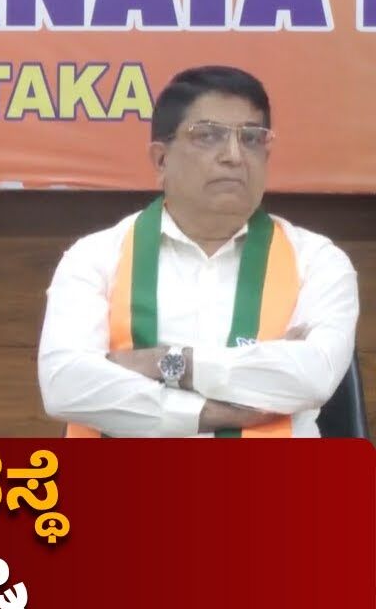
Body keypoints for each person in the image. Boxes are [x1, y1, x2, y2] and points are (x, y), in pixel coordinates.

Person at [38, 65, 359, 437]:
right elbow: (64, 385)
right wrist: (211, 412)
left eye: (251, 138)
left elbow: (313, 376)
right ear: (161, 160)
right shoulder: (94, 257)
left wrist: (165, 363)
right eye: (208, 136)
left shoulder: (318, 262)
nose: (234, 156)